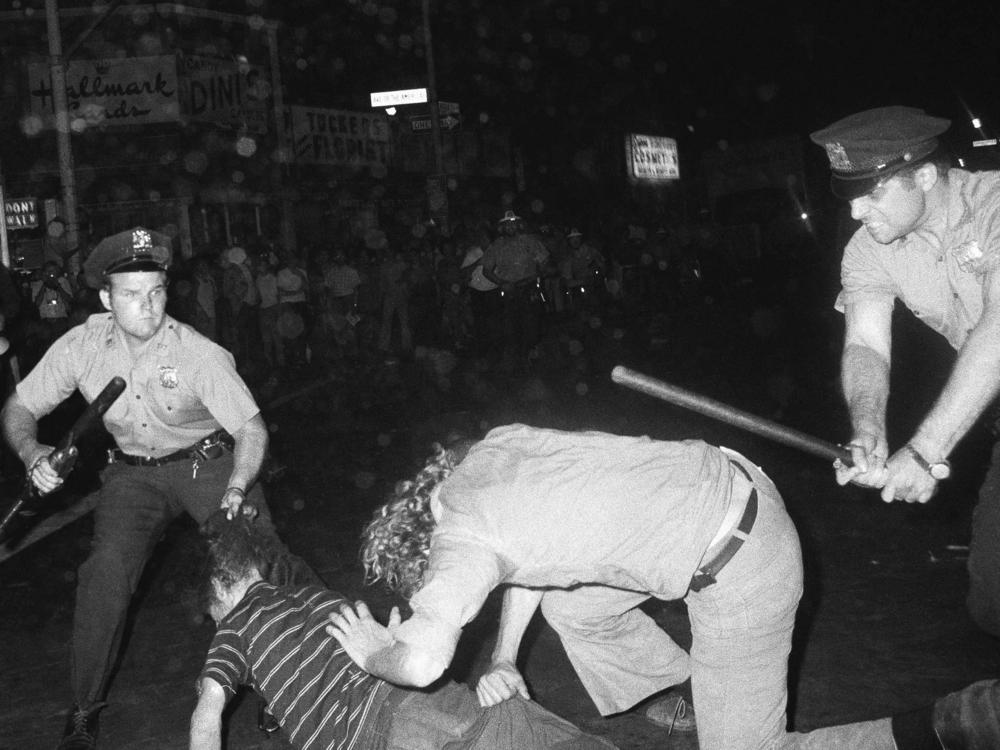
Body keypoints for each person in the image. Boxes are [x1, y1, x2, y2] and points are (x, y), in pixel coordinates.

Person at [325, 425, 1000, 750]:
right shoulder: (492, 452)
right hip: (736, 484)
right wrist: (503, 657)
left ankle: (941, 726)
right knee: (570, 603)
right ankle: (698, 688)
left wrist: (372, 653)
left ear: (425, 552)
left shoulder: (462, 542)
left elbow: (420, 661)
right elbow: (521, 558)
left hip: (743, 567)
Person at [0, 227, 318, 750]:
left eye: (156, 292)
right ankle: (82, 710)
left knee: (262, 570)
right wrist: (32, 452)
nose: (147, 307)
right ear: (105, 298)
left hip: (210, 464)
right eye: (131, 295)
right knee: (104, 574)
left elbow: (251, 430)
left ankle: (286, 686)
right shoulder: (81, 345)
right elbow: (19, 407)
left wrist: (238, 487)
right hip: (132, 475)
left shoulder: (198, 353)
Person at [190, 510, 617, 750]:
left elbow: (208, 712)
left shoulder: (234, 630)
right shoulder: (315, 597)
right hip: (421, 696)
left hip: (367, 740)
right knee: (517, 731)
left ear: (222, 588)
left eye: (214, 614)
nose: (217, 623)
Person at [809, 105, 1000, 637]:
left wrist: (925, 450)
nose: (855, 211)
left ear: (923, 175)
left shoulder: (995, 204)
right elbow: (867, 345)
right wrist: (868, 432)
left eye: (872, 192)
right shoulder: (870, 248)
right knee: (993, 601)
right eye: (850, 195)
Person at [480, 211, 549, 372]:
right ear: (502, 227)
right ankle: (517, 360)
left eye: (513, 223)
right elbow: (486, 270)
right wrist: (501, 283)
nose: (510, 226)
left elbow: (544, 261)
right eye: (507, 224)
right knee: (511, 326)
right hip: (509, 290)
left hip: (529, 287)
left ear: (517, 224)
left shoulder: (529, 241)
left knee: (532, 323)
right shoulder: (497, 245)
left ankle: (532, 355)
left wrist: (537, 275)